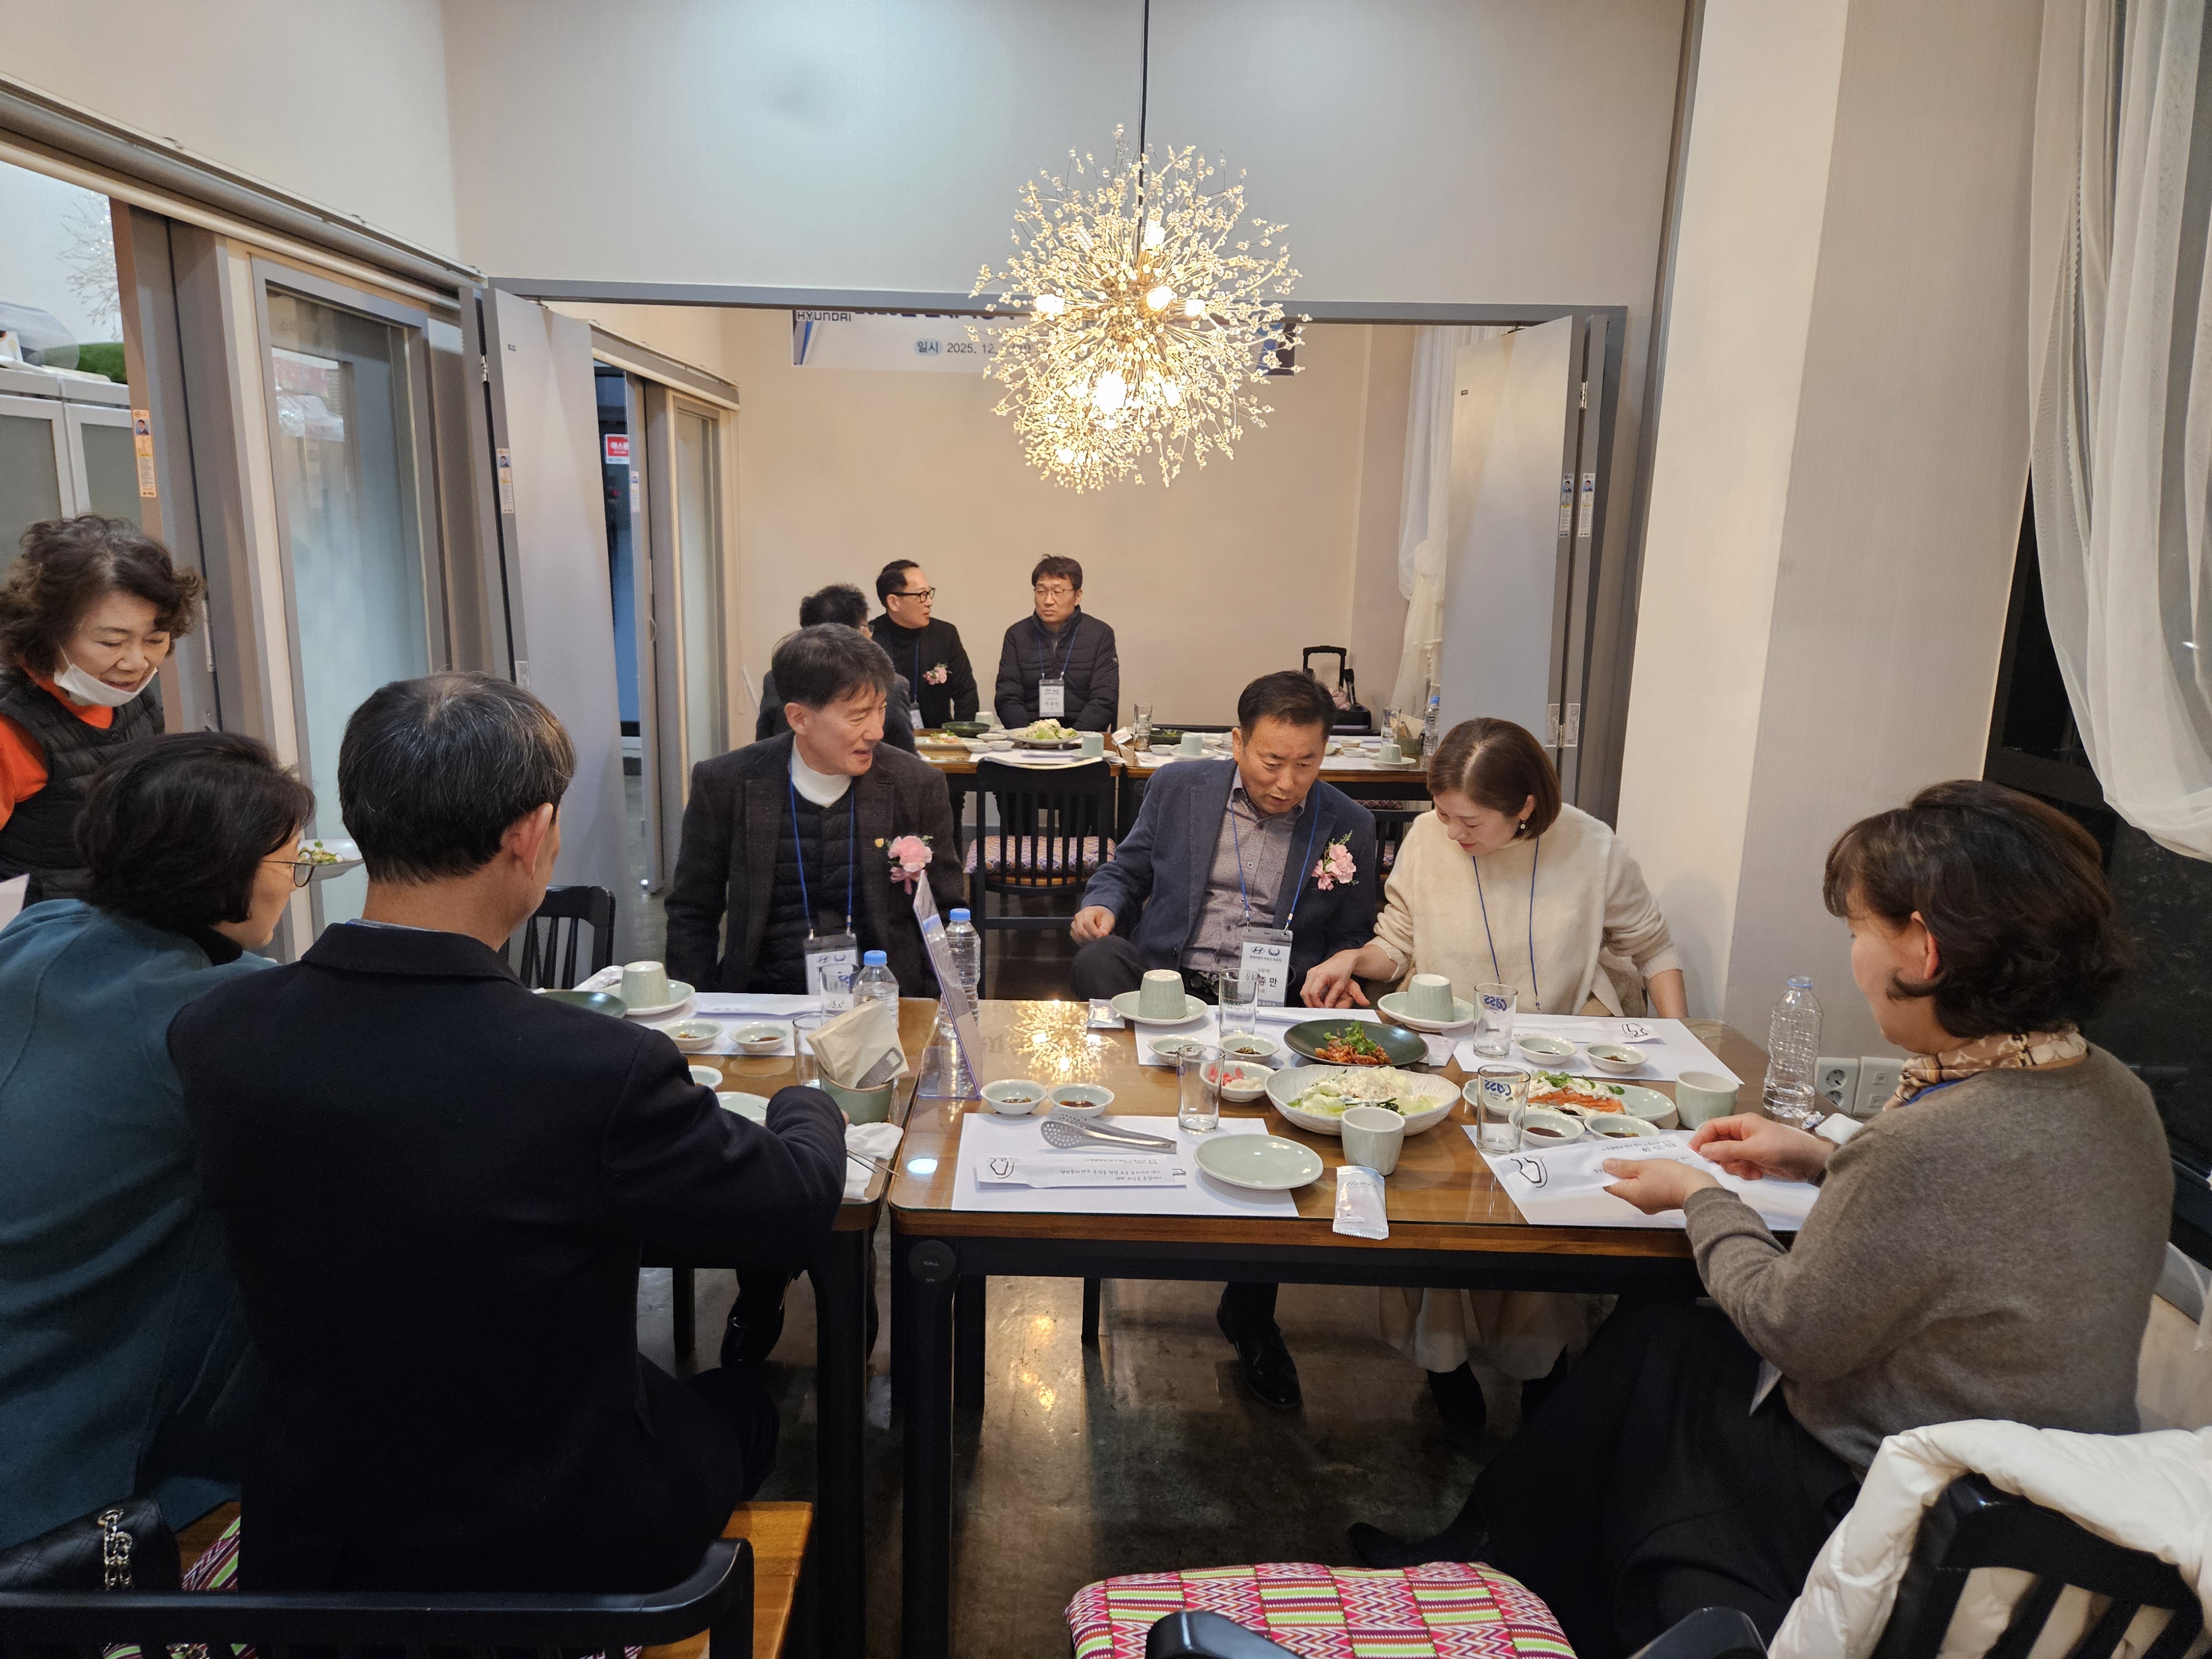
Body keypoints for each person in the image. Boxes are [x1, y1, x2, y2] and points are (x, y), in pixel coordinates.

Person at [1349, 779, 2169, 1659]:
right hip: (2045, 1490)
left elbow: (1790, 1328)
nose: (1853, 954)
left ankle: (1509, 1575)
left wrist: (1699, 1197)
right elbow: (1972, 1219)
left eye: (1858, 930)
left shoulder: (1934, 1143)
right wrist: (1822, 1155)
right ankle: (1495, 1561)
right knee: (1659, 1337)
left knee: (1655, 1381)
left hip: (1900, 1501)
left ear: (1923, 950)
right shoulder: (2112, 1090)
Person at [170, 672, 847, 1593]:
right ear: (529, 836)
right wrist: (811, 1102)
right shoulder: (596, 1068)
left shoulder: (218, 1034)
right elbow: (794, 1207)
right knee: (745, 1405)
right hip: (550, 1532)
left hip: (319, 1527)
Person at [1302, 717, 1687, 1427]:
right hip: (1449, 1054)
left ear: (1526, 807)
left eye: (1470, 821)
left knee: (1540, 1210)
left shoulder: (1592, 848)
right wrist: (1351, 959)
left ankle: (1542, 1362)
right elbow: (1397, 945)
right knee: (1443, 1207)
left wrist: (1678, 1042)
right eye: (1442, 813)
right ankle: (1442, 1363)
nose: (1451, 832)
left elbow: (1653, 948)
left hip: (1554, 1059)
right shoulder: (1429, 838)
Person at [0, 733, 310, 1552]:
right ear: (225, 868)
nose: (292, 881)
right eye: (289, 861)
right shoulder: (219, 1014)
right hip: (59, 1454)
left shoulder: (37, 934)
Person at [1069, 671, 1377, 1407]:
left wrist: (1345, 969)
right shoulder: (1180, 787)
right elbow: (1126, 868)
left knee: (1281, 1138)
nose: (1287, 781)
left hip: (1273, 1002)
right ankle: (1105, 1202)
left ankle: (1251, 1311)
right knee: (1098, 962)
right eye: (1272, 761)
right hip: (1173, 984)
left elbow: (1355, 934)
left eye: (1306, 763)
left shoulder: (1349, 824)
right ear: (1237, 743)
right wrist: (1103, 904)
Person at [669, 623, 963, 997]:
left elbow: (945, 917)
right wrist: (699, 1011)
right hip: (763, 1003)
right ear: (799, 718)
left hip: (885, 1001)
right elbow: (693, 912)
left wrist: (935, 1012)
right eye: (857, 716)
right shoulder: (725, 783)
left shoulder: (917, 784)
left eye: (881, 710)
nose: (876, 731)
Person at [0, 515, 204, 901]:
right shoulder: (11, 728)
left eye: (155, 639)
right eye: (112, 643)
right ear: (48, 634)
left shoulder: (130, 697)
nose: (137, 663)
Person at [759, 584, 916, 752]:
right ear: (854, 634)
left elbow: (763, 747)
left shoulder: (775, 678)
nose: (870, 635)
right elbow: (907, 755)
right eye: (866, 628)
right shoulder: (891, 685)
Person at [994, 555, 1119, 731]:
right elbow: (1008, 697)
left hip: (1082, 739)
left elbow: (1104, 699)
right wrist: (1029, 735)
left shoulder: (1100, 634)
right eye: (1041, 592)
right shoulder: (1017, 635)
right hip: (1029, 737)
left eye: (1058, 592)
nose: (1048, 601)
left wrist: (1072, 738)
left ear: (1078, 596)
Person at [870, 559, 978, 731]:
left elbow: (966, 693)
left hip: (938, 735)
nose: (929, 602)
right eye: (921, 595)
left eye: (929, 593)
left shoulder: (945, 634)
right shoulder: (870, 639)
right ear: (894, 602)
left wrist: (959, 737)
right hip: (885, 738)